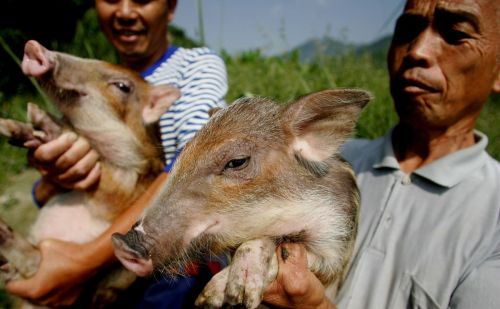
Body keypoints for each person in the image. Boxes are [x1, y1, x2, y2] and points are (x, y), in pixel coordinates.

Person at [263, 0, 500, 308]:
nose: (417, 50)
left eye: (455, 33)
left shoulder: (494, 214)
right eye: (407, 30)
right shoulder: (321, 164)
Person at [6, 0, 228, 307]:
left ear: (171, 7)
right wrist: (53, 177)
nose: (124, 11)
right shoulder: (98, 70)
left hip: (155, 266)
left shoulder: (195, 65)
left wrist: (81, 264)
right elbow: (46, 191)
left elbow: (196, 154)